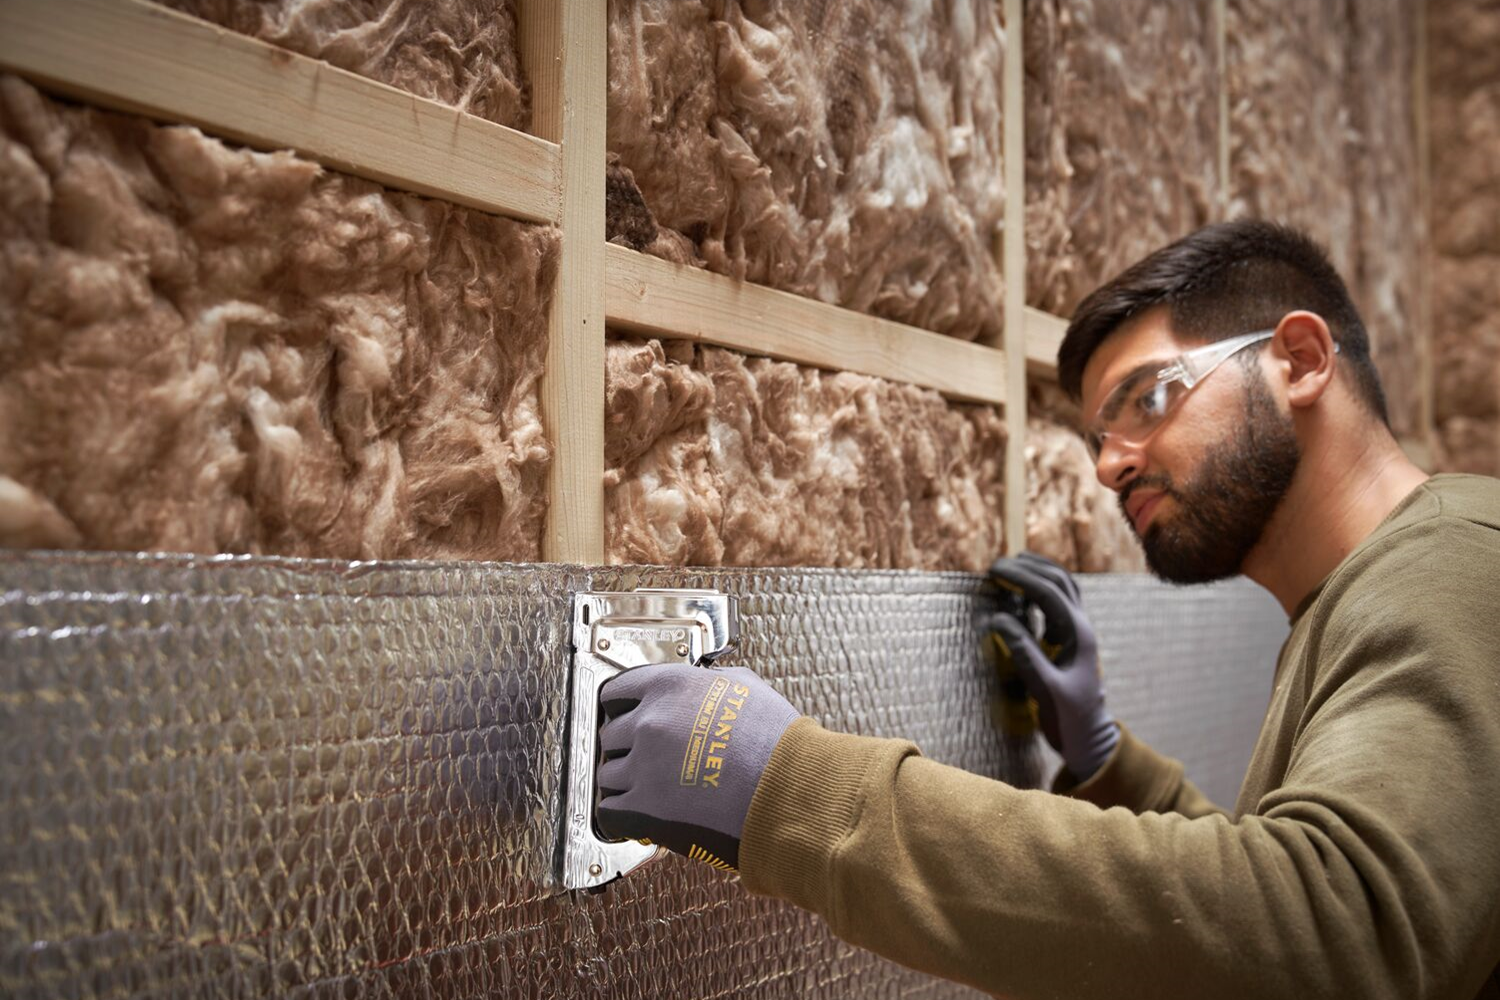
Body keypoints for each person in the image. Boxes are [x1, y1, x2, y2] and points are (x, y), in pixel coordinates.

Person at [593, 221, 1500, 999]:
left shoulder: (1451, 564)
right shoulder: (1372, 590)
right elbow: (1278, 919)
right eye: (1101, 436)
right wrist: (1103, 760)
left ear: (1299, 361)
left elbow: (1337, 935)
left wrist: (793, 790)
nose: (1110, 465)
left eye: (1150, 397)